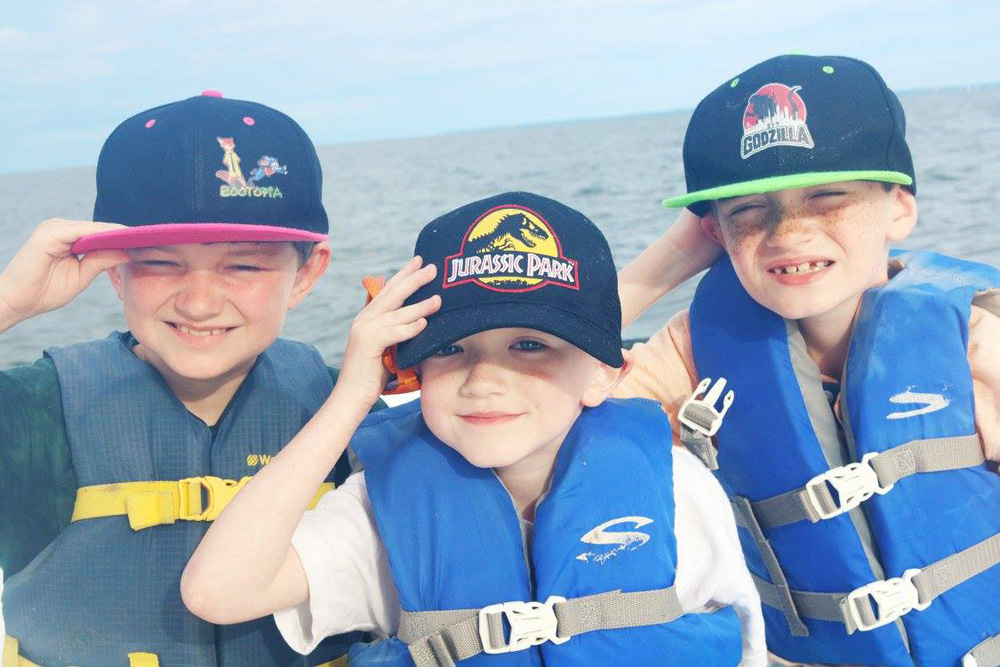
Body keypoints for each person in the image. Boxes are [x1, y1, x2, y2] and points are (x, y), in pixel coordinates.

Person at [181, 191, 768, 666]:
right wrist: (351, 398)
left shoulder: (675, 486)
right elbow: (219, 592)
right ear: (412, 371)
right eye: (452, 349)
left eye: (529, 346)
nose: (483, 380)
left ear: (605, 376)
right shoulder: (378, 510)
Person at [613, 54, 1000, 666]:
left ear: (898, 206)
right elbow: (560, 396)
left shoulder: (973, 338)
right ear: (711, 236)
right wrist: (665, 262)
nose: (788, 231)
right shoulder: (691, 354)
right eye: (748, 210)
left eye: (827, 196)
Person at [0, 91, 370, 665]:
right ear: (114, 273)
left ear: (307, 274)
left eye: (243, 265)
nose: (198, 303)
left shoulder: (354, 410)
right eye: (158, 262)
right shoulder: (31, 414)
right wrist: (8, 303)